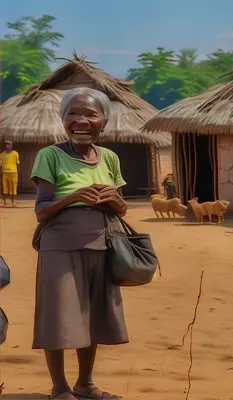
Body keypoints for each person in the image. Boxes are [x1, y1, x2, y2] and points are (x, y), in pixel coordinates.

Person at [31, 87, 128, 400]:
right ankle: (59, 387)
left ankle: (84, 384)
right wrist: (72, 198)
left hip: (102, 243)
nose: (81, 120)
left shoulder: (110, 158)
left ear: (104, 121)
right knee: (58, 316)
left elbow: (123, 208)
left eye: (90, 114)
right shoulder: (50, 156)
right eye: (72, 113)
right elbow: (41, 210)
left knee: (92, 316)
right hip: (59, 245)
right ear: (63, 119)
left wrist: (115, 199)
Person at [0, 140, 20, 206]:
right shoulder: (2, 154)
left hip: (14, 172)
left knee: (13, 188)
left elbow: (17, 163)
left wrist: (17, 172)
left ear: (12, 146)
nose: (8, 146)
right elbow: (0, 164)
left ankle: (13, 202)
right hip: (5, 173)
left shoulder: (15, 153)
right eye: (6, 144)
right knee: (5, 188)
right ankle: (5, 201)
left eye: (9, 144)